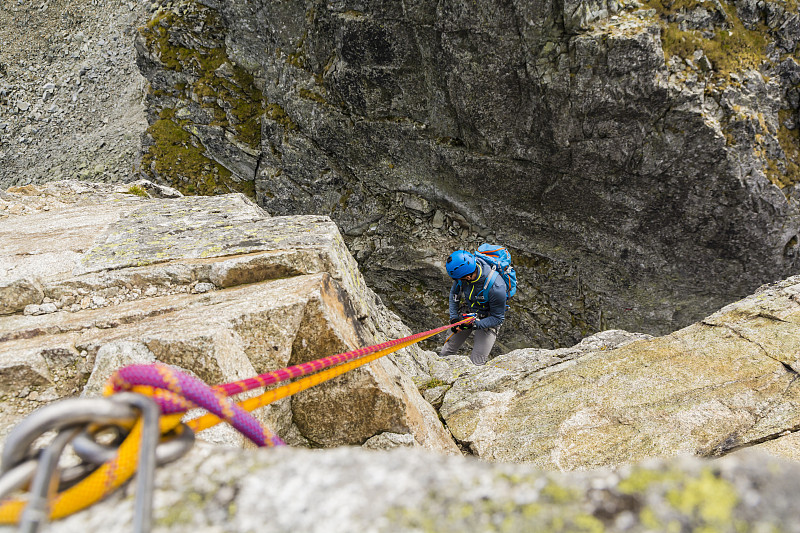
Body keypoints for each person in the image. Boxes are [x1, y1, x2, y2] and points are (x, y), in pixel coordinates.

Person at [440, 249, 507, 365]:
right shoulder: (463, 275)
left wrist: (475, 324)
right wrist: (454, 318)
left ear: (468, 277)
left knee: (477, 362)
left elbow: (498, 318)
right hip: (469, 311)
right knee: (447, 351)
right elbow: (454, 294)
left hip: (489, 319)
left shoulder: (496, 287)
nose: (457, 281)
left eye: (459, 279)